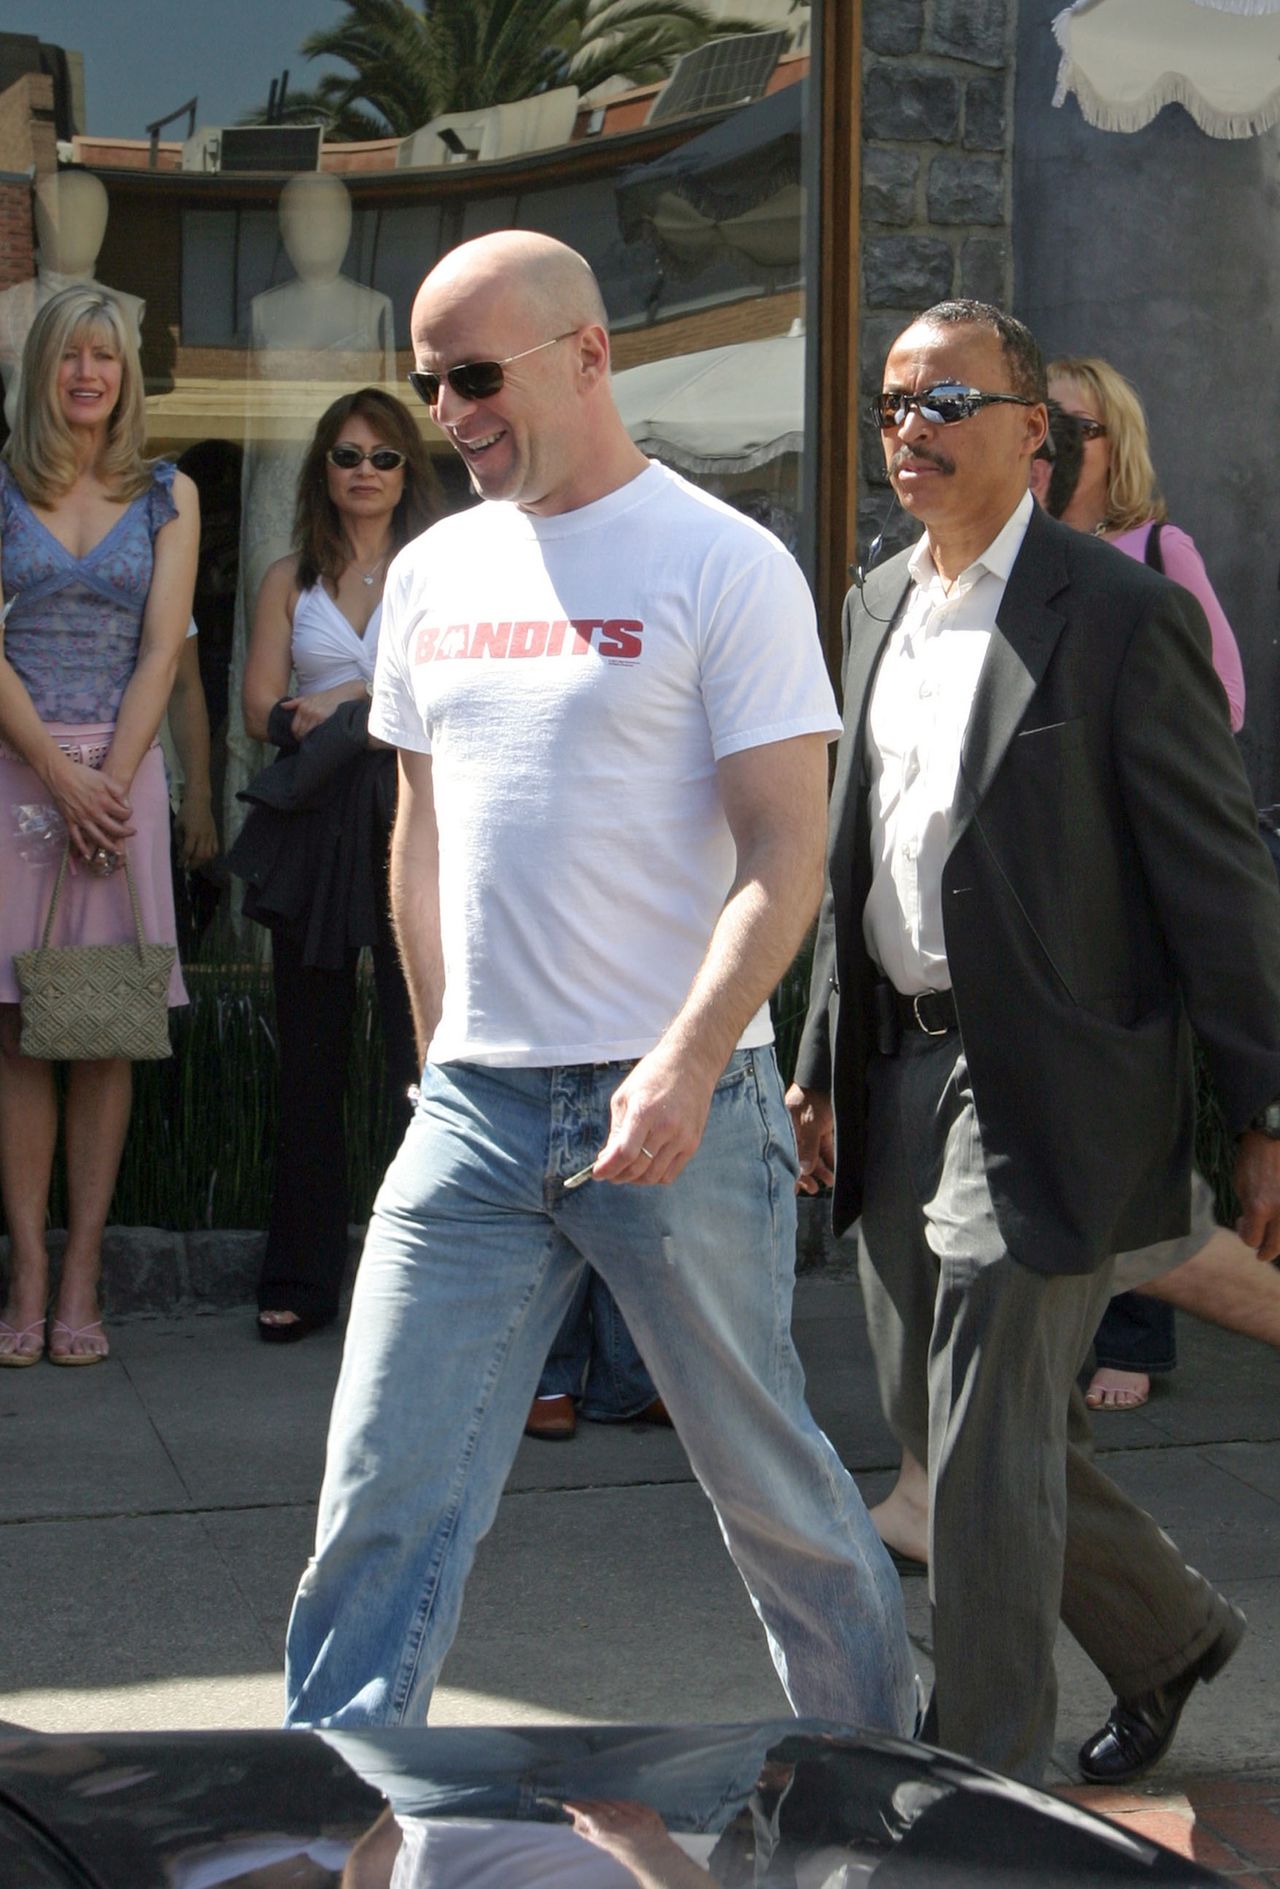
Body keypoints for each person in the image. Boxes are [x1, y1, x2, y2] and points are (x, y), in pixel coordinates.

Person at [282, 230, 916, 1736]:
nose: (451, 411)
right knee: (381, 1491)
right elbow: (422, 837)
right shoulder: (434, 571)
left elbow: (785, 849)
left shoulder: (724, 562)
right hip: (478, 1116)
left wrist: (694, 1061)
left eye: (478, 374)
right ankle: (331, 1802)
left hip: (682, 1109)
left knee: (772, 1496)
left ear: (589, 351)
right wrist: (439, 1061)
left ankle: (879, 1794)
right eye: (431, 382)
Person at [787, 299, 1280, 1786]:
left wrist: (1268, 1104)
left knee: (987, 1442)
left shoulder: (1119, 612)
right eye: (891, 407)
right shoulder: (875, 598)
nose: (908, 434)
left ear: (1034, 432)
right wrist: (817, 1052)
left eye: (944, 404)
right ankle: (1169, 1631)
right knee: (950, 1423)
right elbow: (851, 851)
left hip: (1055, 1074)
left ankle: (976, 1782)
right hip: (899, 1064)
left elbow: (1216, 874)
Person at [0, 285, 197, 1365]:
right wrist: (53, 773)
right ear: (42, 369)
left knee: (106, 1030)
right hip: (15, 777)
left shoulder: (170, 494)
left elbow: (163, 652)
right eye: (70, 355)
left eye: (106, 357)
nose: (88, 373)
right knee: (18, 1031)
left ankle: (82, 1275)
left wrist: (107, 785)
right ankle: (26, 1270)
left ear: (125, 377)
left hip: (119, 784)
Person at [1048, 352, 1246, 1412]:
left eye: (1071, 421)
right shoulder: (1006, 551)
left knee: (1133, 1114)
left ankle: (1136, 1334)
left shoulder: (1157, 550)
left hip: (1129, 883)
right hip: (1038, 891)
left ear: (1110, 438)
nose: (1052, 436)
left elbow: (1218, 703)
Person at [231, 389, 436, 1343]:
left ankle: (420, 1276)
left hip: (413, 813)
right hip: (315, 818)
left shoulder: (438, 569)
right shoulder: (288, 576)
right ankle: (302, 1278)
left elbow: (440, 689)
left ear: (408, 472)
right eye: (348, 454)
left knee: (417, 1054)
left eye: (385, 456)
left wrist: (350, 698)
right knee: (309, 1063)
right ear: (323, 467)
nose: (364, 470)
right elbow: (258, 703)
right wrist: (311, 716)